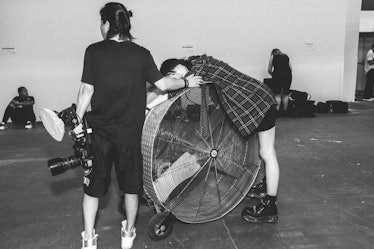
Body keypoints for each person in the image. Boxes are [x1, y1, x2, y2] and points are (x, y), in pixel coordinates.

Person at [73, 3, 203, 249]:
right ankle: (128, 235)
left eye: (102, 23)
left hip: (98, 134)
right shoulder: (141, 53)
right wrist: (185, 81)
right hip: (129, 135)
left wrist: (78, 121)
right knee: (131, 190)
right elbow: (164, 84)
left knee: (92, 190)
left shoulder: (93, 51)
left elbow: (86, 89)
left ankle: (89, 240)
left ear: (107, 24)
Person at [157, 55, 280, 224]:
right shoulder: (197, 67)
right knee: (265, 151)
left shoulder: (199, 67)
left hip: (259, 102)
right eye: (173, 77)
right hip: (258, 98)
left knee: (267, 153)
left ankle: (270, 206)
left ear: (177, 65)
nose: (178, 78)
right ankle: (266, 186)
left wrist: (173, 86)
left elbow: (181, 87)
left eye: (175, 73)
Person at [267, 48, 292, 113]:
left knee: (277, 94)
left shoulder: (272, 57)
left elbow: (269, 70)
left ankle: (277, 112)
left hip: (277, 76)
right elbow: (291, 68)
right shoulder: (286, 56)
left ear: (273, 53)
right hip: (288, 76)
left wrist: (273, 75)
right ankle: (285, 111)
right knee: (285, 94)